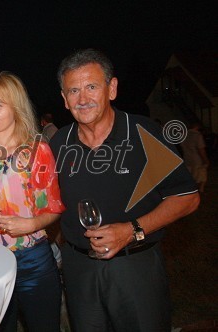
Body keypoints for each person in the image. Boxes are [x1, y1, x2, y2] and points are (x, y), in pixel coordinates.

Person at [50, 48, 200, 331]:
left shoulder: (143, 133)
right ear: (64, 99)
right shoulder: (58, 144)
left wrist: (132, 230)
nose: (83, 99)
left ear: (112, 88)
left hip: (136, 266)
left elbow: (187, 198)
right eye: (73, 91)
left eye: (92, 87)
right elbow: (46, 202)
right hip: (79, 268)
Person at [0, 72, 65, 332]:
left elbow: (53, 208)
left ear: (16, 108)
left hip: (33, 260)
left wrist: (30, 223)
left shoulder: (37, 151)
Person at [180, 121, 209, 193]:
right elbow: (201, 150)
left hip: (187, 159)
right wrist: (206, 160)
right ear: (198, 127)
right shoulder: (198, 135)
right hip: (197, 160)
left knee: (190, 176)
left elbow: (181, 146)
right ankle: (200, 190)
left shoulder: (184, 135)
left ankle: (191, 190)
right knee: (201, 175)